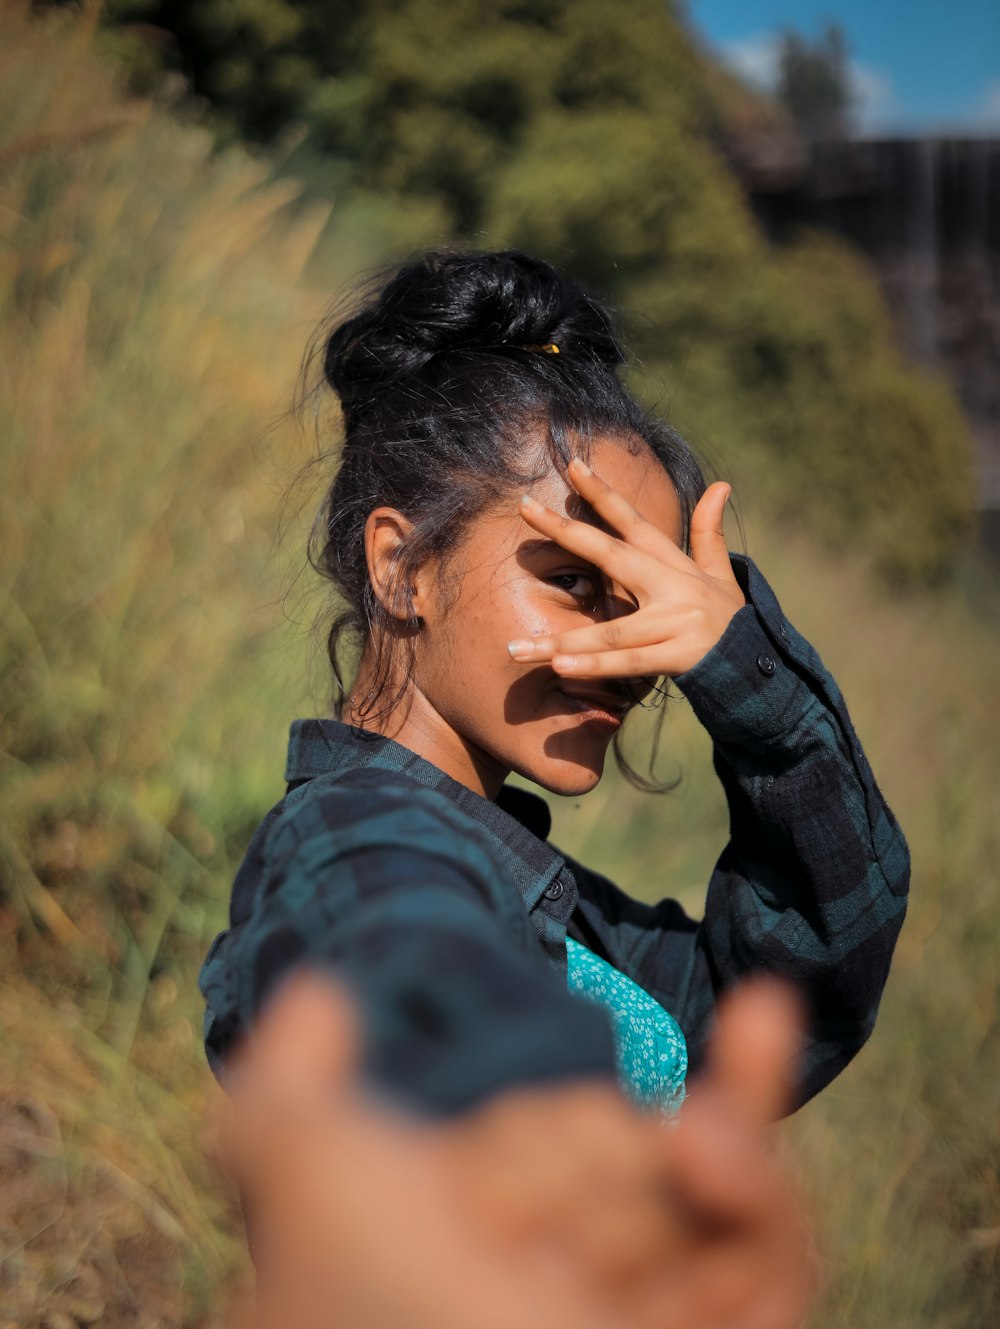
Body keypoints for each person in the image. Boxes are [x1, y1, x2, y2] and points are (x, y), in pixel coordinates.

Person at [200, 247, 909, 1122]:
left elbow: (789, 1004)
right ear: (401, 568)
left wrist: (742, 664)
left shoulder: (554, 910)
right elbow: (402, 987)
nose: (630, 651)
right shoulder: (356, 845)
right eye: (572, 582)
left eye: (641, 600)